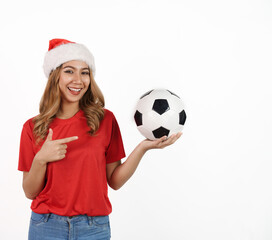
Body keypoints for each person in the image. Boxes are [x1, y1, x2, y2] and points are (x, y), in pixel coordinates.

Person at [18, 38, 182, 240]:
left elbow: (115, 181)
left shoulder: (105, 120)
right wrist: (41, 159)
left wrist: (143, 148)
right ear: (55, 76)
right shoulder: (33, 127)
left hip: (93, 227)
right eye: (69, 71)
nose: (78, 80)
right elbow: (30, 192)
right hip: (46, 226)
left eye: (84, 72)